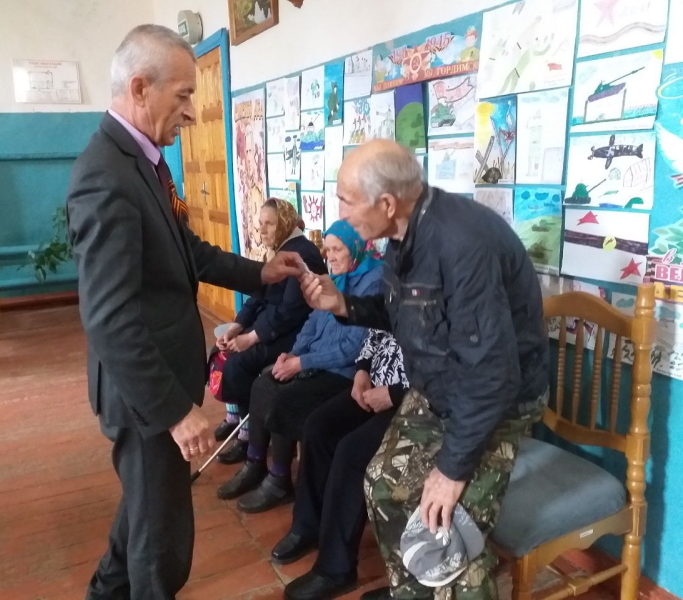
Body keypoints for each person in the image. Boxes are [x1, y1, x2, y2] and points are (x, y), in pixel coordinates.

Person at [66, 24, 301, 600]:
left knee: (144, 510)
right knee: (161, 542)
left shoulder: (142, 162)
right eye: (184, 95)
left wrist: (260, 272)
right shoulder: (106, 177)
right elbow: (109, 316)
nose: (193, 113)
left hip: (158, 384)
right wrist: (175, 412)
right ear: (139, 88)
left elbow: (185, 249)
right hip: (146, 398)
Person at [299, 139, 549, 600]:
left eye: (347, 200)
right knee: (382, 484)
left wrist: (451, 472)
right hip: (439, 387)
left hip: (495, 400)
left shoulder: (462, 243)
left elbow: (492, 375)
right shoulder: (403, 234)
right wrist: (344, 305)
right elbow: (406, 313)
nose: (341, 213)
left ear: (386, 203)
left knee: (448, 524)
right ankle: (411, 590)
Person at [217, 221, 383, 514]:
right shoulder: (337, 276)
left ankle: (279, 480)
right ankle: (255, 463)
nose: (329, 257)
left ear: (356, 248)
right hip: (313, 361)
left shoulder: (374, 282)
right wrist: (291, 354)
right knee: (264, 383)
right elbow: (313, 321)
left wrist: (300, 363)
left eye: (337, 250)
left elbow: (352, 348)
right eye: (327, 249)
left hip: (343, 372)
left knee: (286, 397)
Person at [276, 329, 409, 600]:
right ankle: (307, 526)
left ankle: (335, 569)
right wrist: (361, 371)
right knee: (318, 427)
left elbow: (443, 372)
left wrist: (394, 394)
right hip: (373, 386)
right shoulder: (399, 299)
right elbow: (374, 334)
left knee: (352, 451)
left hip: (411, 402)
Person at [214, 198, 327, 464]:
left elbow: (289, 311)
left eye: (270, 224)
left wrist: (251, 338)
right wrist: (237, 326)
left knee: (240, 361)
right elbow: (258, 295)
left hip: (294, 332)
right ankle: (236, 418)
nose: (262, 230)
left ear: (284, 223)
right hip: (273, 324)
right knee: (220, 349)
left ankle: (247, 436)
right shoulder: (280, 249)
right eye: (261, 224)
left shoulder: (302, 254)